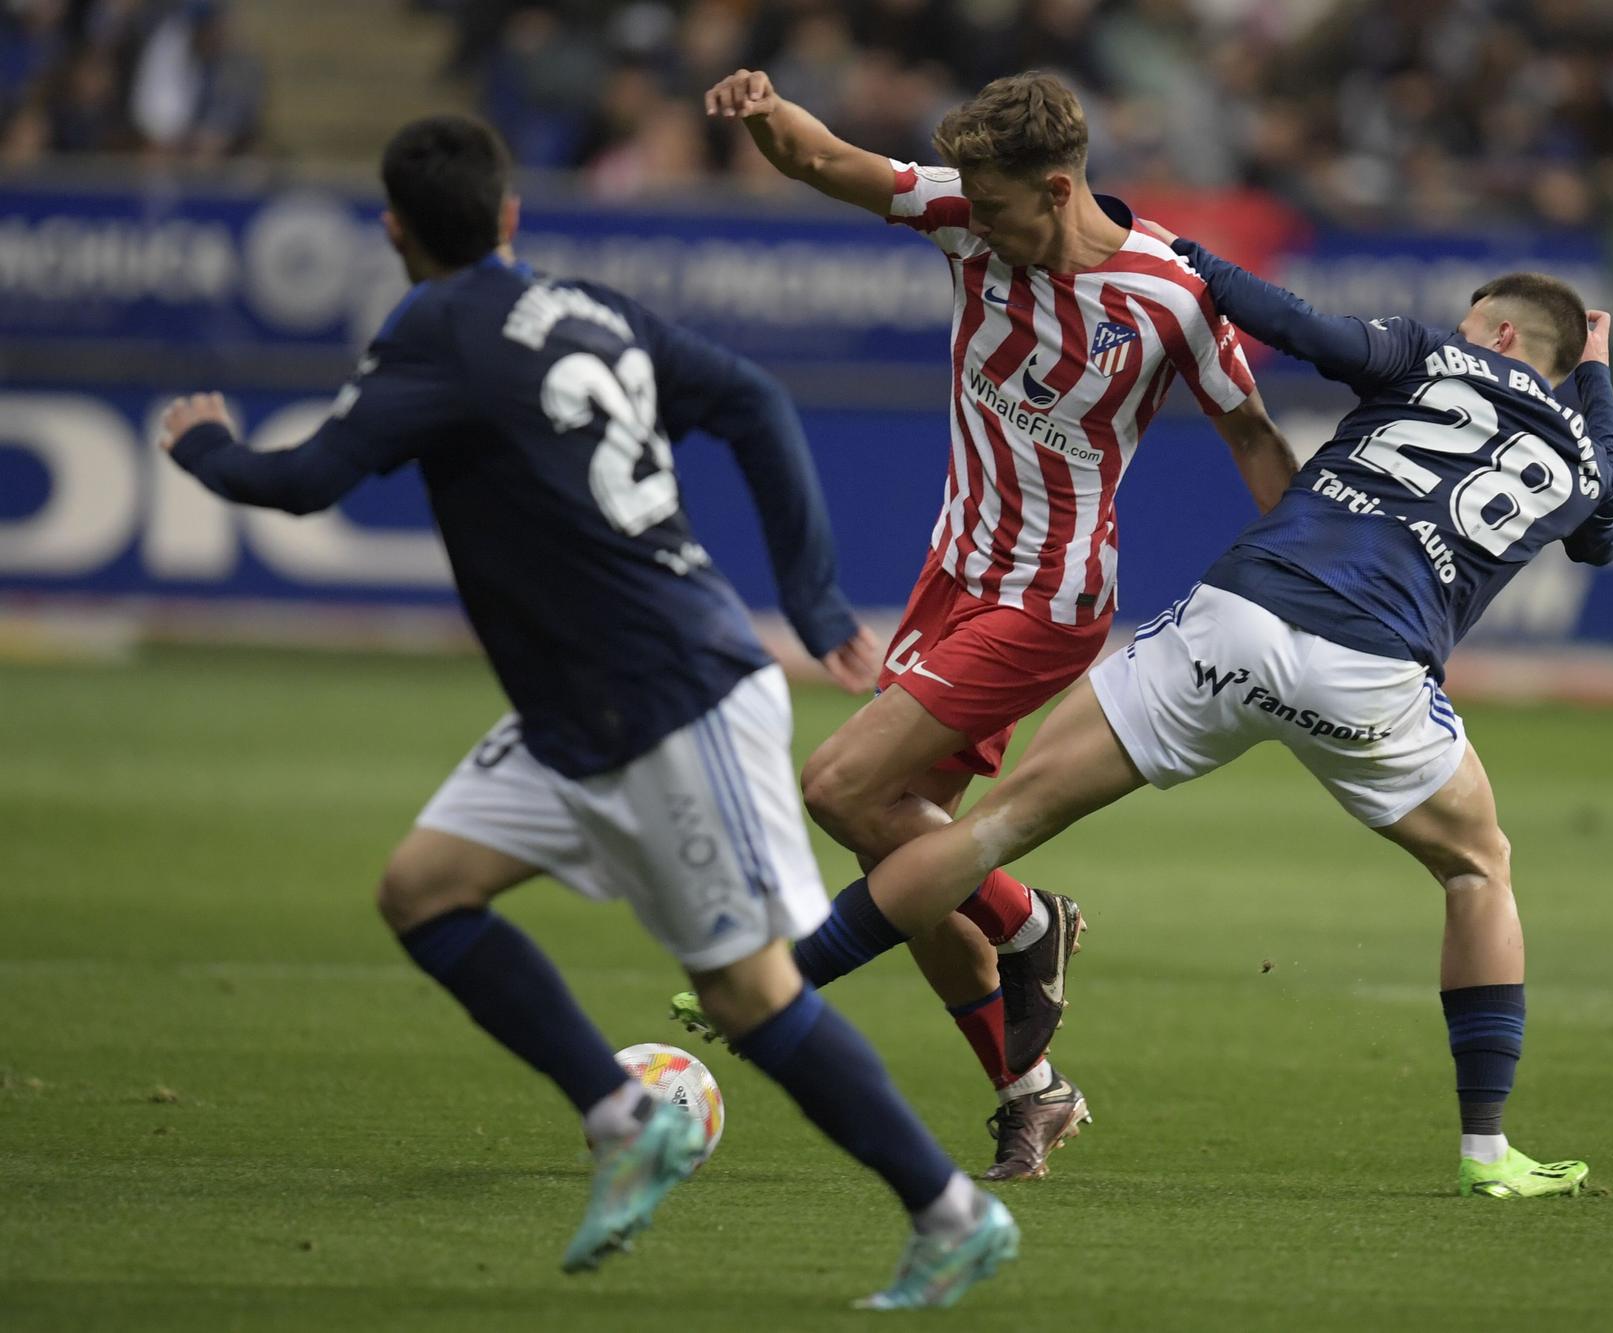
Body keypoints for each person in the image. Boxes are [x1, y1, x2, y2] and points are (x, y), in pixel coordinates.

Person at [156, 113, 1016, 1309]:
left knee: (749, 996)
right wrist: (814, 598)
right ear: (510, 218)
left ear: (397, 233)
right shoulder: (586, 306)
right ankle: (624, 1117)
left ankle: (951, 1212)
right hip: (579, 708)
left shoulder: (433, 330)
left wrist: (202, 447)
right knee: (422, 889)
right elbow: (756, 401)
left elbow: (302, 481)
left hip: (671, 703)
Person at [777, 239, 1613, 1201]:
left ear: (1503, 332)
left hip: (1237, 620)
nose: (1465, 333)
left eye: (1478, 322)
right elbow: (1608, 531)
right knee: (1479, 867)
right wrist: (1594, 379)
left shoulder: (1432, 355)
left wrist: (1192, 260)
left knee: (990, 826)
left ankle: (773, 987)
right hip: (1373, 673)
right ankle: (1489, 1153)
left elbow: (1299, 327)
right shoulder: (1577, 460)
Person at [693, 67, 1299, 1180]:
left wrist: (1316, 577)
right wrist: (765, 112)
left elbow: (1253, 436)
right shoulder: (968, 219)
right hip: (951, 581)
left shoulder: (1169, 296)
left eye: (997, 209)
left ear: (1059, 188)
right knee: (898, 832)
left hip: (1049, 601)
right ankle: (1030, 1090)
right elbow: (826, 162)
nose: (974, 224)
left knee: (839, 787)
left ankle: (1026, 922)